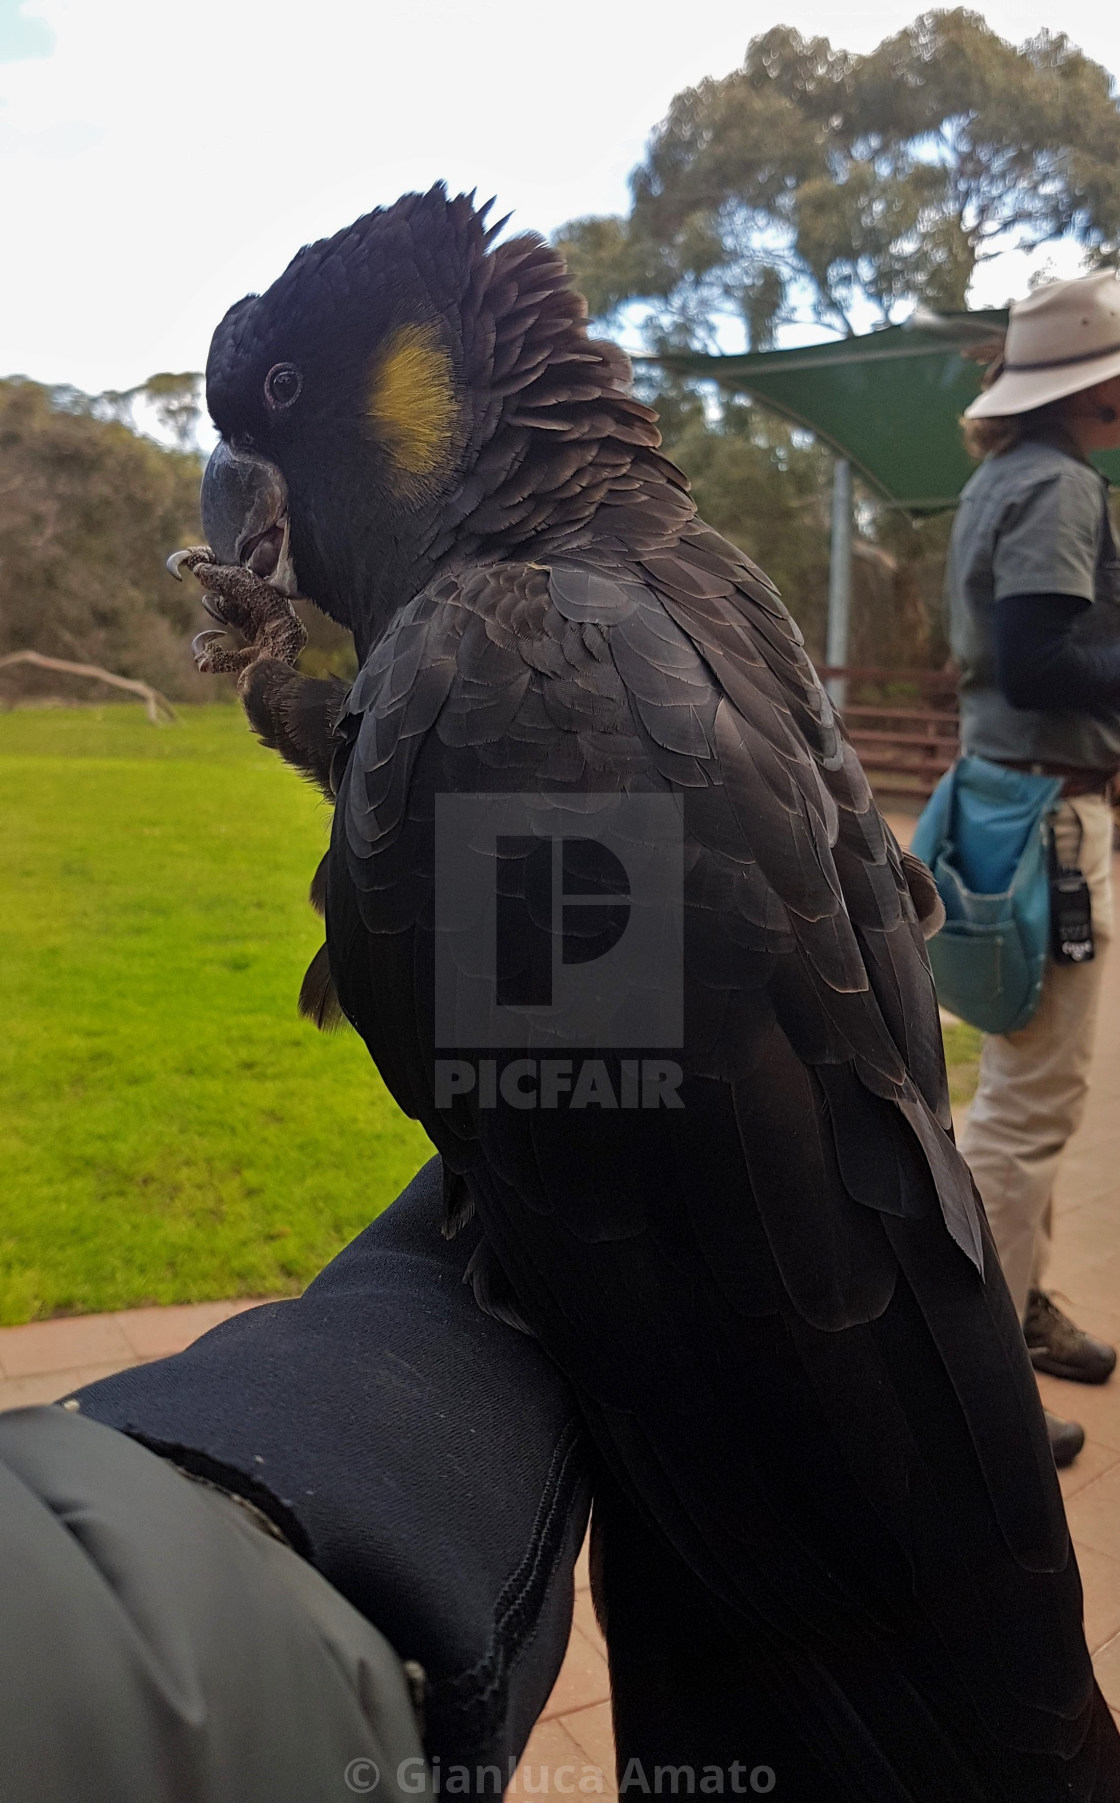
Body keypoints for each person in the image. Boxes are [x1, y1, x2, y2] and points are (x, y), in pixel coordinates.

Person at [947, 268, 1120, 1465]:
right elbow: (1039, 659)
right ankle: (972, 1370)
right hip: (1048, 821)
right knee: (1027, 1104)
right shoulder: (1059, 486)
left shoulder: (1006, 476)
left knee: (1025, 1082)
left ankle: (1015, 1305)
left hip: (1007, 803)